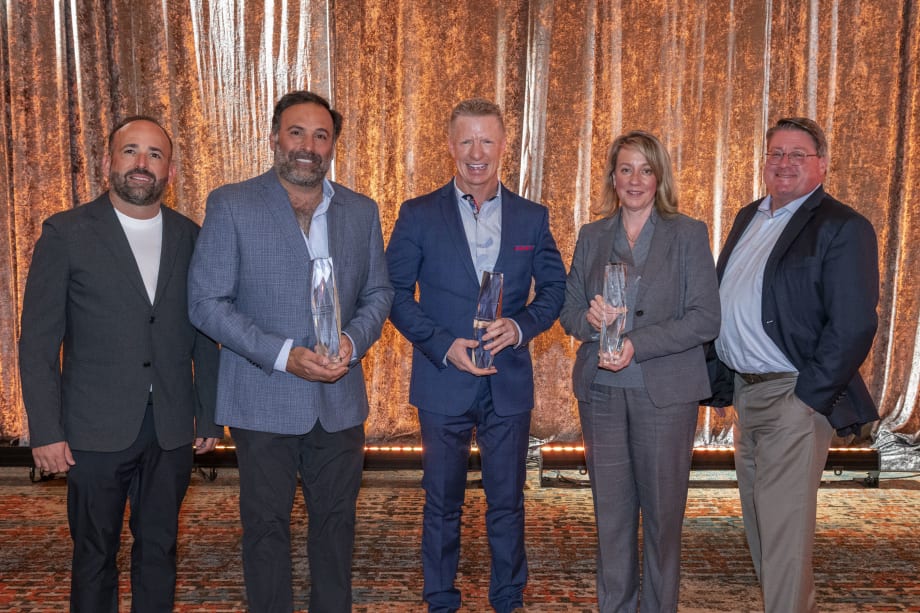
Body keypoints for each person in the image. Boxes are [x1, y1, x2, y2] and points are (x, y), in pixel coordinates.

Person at [187, 90, 393, 613]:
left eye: (321, 135)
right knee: (264, 532)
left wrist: (352, 341)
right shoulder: (231, 203)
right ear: (275, 137)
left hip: (340, 400)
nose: (308, 145)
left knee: (336, 530)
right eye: (297, 132)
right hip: (264, 396)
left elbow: (379, 293)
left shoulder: (361, 210)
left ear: (333, 146)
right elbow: (207, 303)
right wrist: (283, 355)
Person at [18, 116, 222, 612]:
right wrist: (45, 430)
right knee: (94, 554)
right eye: (130, 151)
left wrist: (209, 414)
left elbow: (205, 335)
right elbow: (38, 341)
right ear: (109, 162)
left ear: (170, 172)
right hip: (92, 430)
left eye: (154, 155)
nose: (141, 163)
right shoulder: (65, 233)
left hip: (172, 429)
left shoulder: (191, 236)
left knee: (160, 550)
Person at [386, 98, 566, 613]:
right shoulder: (417, 214)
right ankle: (441, 599)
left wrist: (521, 325)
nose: (476, 152)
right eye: (466, 140)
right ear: (450, 146)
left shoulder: (532, 217)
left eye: (487, 140)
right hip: (443, 381)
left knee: (507, 503)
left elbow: (554, 289)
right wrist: (443, 346)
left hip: (506, 384)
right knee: (442, 503)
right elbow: (395, 293)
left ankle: (508, 598)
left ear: (504, 146)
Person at [708, 117, 879, 613]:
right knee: (763, 527)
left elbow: (853, 325)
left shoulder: (842, 226)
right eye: (775, 154)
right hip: (748, 394)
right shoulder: (749, 217)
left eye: (797, 155)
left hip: (794, 398)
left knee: (784, 529)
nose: (784, 163)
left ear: (821, 165)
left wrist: (809, 398)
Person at [559, 130, 721, 612]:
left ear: (659, 177)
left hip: (664, 396)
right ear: (612, 176)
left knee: (662, 520)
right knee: (610, 517)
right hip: (602, 393)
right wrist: (590, 321)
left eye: (645, 170)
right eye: (626, 169)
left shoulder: (688, 233)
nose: (635, 179)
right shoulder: (592, 235)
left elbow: (705, 319)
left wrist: (635, 344)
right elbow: (567, 312)